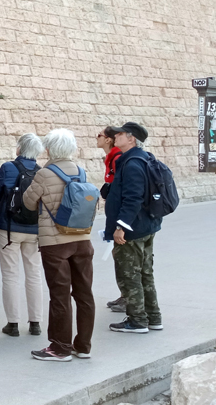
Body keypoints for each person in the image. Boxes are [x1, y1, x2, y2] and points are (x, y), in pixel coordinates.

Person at [23, 129, 95, 361]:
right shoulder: (81, 172)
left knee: (60, 295)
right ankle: (83, 346)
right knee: (84, 294)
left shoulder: (44, 174)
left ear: (49, 149)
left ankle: (60, 347)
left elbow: (28, 202)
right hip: (82, 240)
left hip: (55, 243)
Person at [105, 122, 163, 334]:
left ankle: (137, 320)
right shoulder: (143, 158)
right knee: (145, 272)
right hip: (147, 225)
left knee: (130, 274)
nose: (115, 136)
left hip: (133, 229)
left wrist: (121, 226)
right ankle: (153, 317)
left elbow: (133, 198)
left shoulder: (131, 164)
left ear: (131, 138)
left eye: (120, 134)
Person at [0, 133, 44, 337]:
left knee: (10, 275)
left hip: (9, 228)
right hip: (35, 230)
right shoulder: (41, 171)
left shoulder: (8, 167)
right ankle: (35, 322)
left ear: (19, 148)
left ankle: (13, 323)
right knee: (34, 274)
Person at [97, 126, 127, 313]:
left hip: (120, 218)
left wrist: (120, 224)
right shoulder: (111, 158)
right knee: (120, 256)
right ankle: (125, 295)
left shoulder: (117, 158)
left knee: (125, 258)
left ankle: (128, 299)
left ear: (108, 139)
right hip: (116, 215)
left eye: (99, 135)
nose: (96, 138)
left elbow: (123, 191)